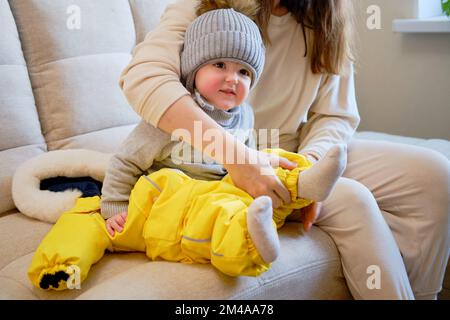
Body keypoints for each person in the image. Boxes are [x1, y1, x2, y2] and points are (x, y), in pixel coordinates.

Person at [118, 0, 450, 299]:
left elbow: (335, 115)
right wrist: (239, 160)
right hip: (215, 162)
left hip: (295, 154)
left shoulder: (325, 20)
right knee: (352, 199)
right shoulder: (205, 6)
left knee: (434, 174)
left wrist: (309, 167)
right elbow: (145, 77)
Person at [27, 3, 346, 290]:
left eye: (244, 72)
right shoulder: (171, 118)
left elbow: (248, 161)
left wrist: (262, 163)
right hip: (161, 198)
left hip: (210, 191)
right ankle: (60, 267)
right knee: (90, 220)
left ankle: (301, 184)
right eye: (219, 65)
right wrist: (114, 206)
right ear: (194, 70)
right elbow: (125, 162)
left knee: (267, 163)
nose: (232, 79)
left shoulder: (244, 116)